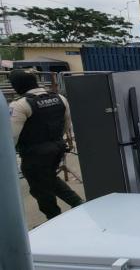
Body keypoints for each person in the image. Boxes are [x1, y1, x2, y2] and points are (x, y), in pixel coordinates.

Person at [8, 69, 83, 219]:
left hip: (34, 154)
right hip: (56, 148)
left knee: (39, 189)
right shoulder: (60, 98)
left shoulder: (19, 105)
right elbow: (67, 125)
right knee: (48, 178)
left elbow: (11, 136)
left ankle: (53, 219)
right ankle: (78, 202)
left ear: (17, 85)